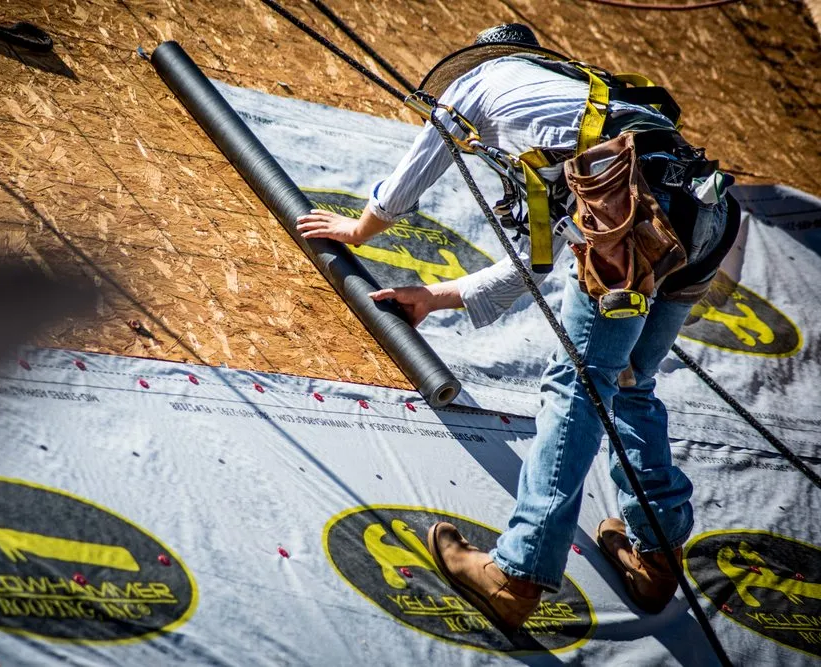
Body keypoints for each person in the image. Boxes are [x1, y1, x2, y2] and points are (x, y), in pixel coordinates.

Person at [296, 24, 737, 630]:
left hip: (633, 221)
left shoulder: (481, 83)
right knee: (631, 384)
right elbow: (536, 260)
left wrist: (360, 230)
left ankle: (519, 574)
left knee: (580, 387)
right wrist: (436, 296)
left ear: (486, 60)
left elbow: (420, 164)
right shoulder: (581, 112)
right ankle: (656, 552)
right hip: (705, 217)